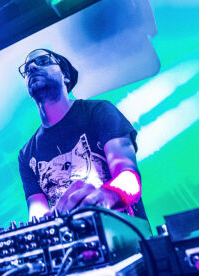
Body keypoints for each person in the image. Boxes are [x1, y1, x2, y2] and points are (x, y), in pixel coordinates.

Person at [17, 48, 147, 220]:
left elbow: (130, 179)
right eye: (26, 69)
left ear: (65, 76)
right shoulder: (26, 154)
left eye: (43, 61)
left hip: (125, 233)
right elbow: (38, 216)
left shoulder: (99, 111)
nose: (32, 68)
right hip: (70, 236)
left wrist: (106, 197)